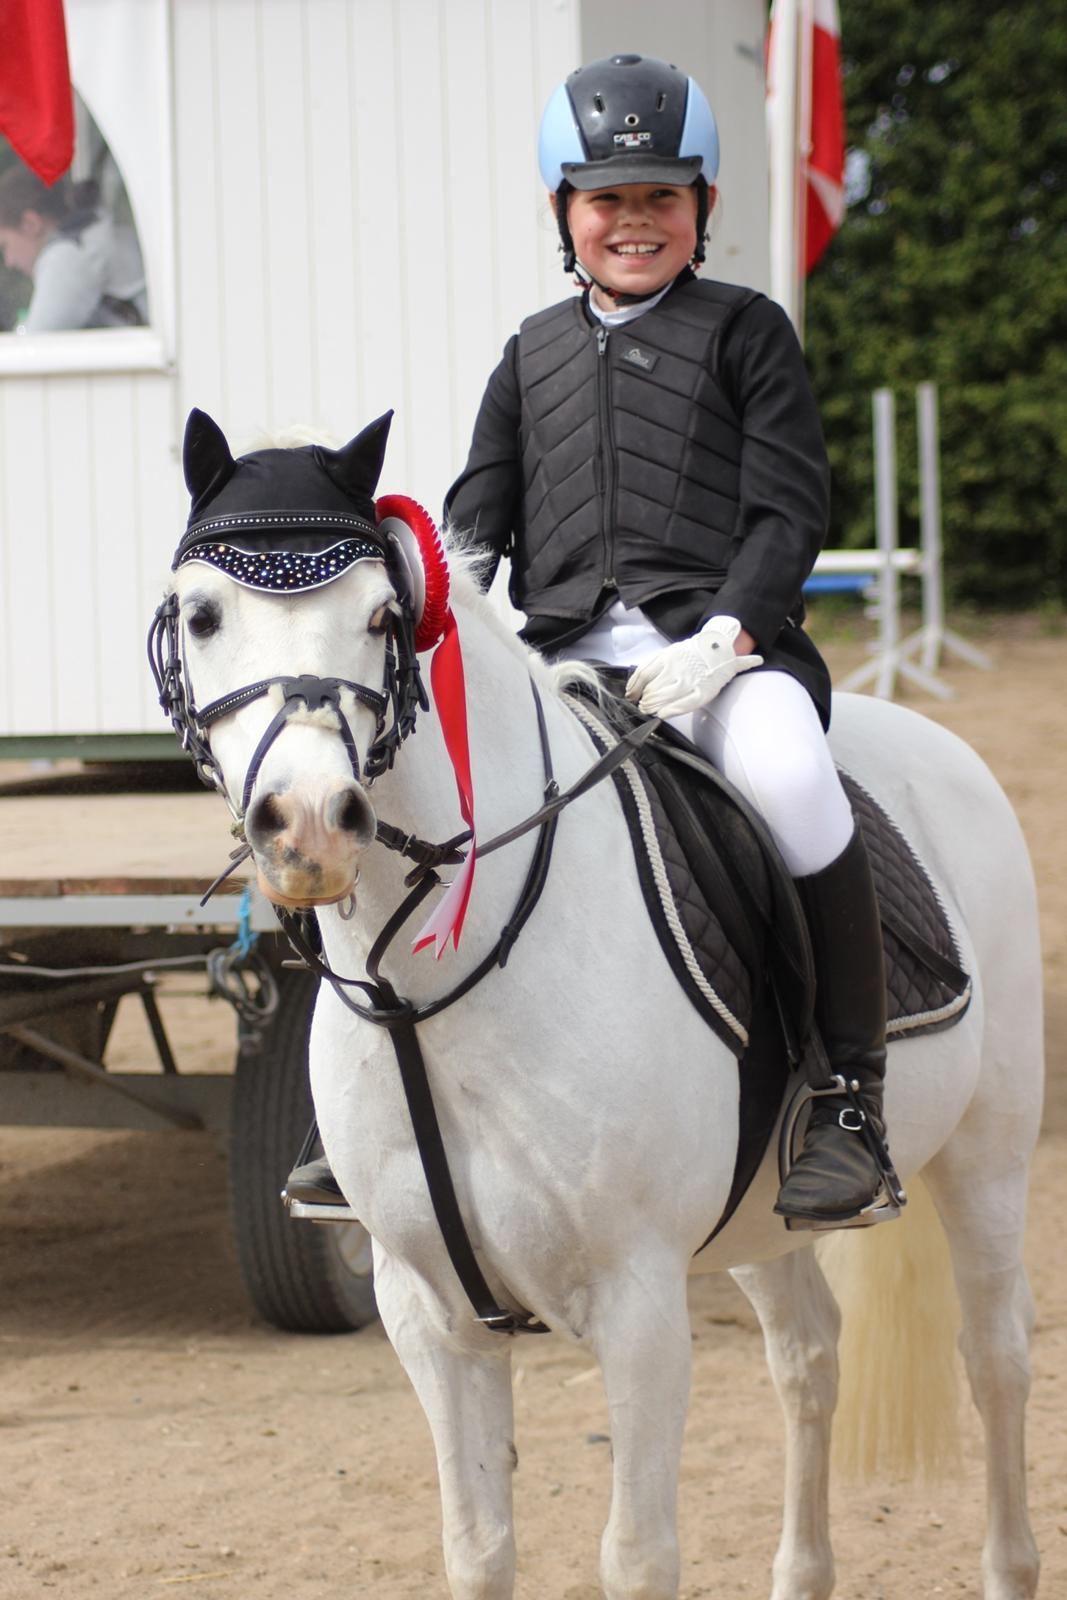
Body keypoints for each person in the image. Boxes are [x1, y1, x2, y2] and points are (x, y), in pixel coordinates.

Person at [289, 52, 896, 1231]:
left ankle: (847, 1098)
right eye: (606, 199)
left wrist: (727, 637)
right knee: (404, 804)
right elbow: (472, 527)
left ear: (701, 208)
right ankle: (358, 1098)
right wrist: (390, 585)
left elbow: (787, 512)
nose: (633, 221)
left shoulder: (748, 332)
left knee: (791, 781)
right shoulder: (530, 351)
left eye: (660, 196)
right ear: (563, 212)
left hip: (720, 658)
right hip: (564, 667)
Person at [0, 164, 147, 332]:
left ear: (30, 224)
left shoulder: (66, 256)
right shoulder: (91, 233)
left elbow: (36, 348)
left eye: (5, 246)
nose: (9, 261)